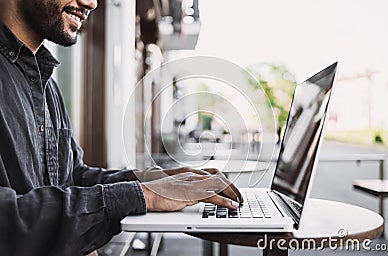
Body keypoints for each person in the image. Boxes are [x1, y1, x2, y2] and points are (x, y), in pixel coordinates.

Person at [0, 0, 242, 255]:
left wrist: (150, 180)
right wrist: (142, 196)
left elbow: (72, 178)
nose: (91, 3)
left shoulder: (43, 81)